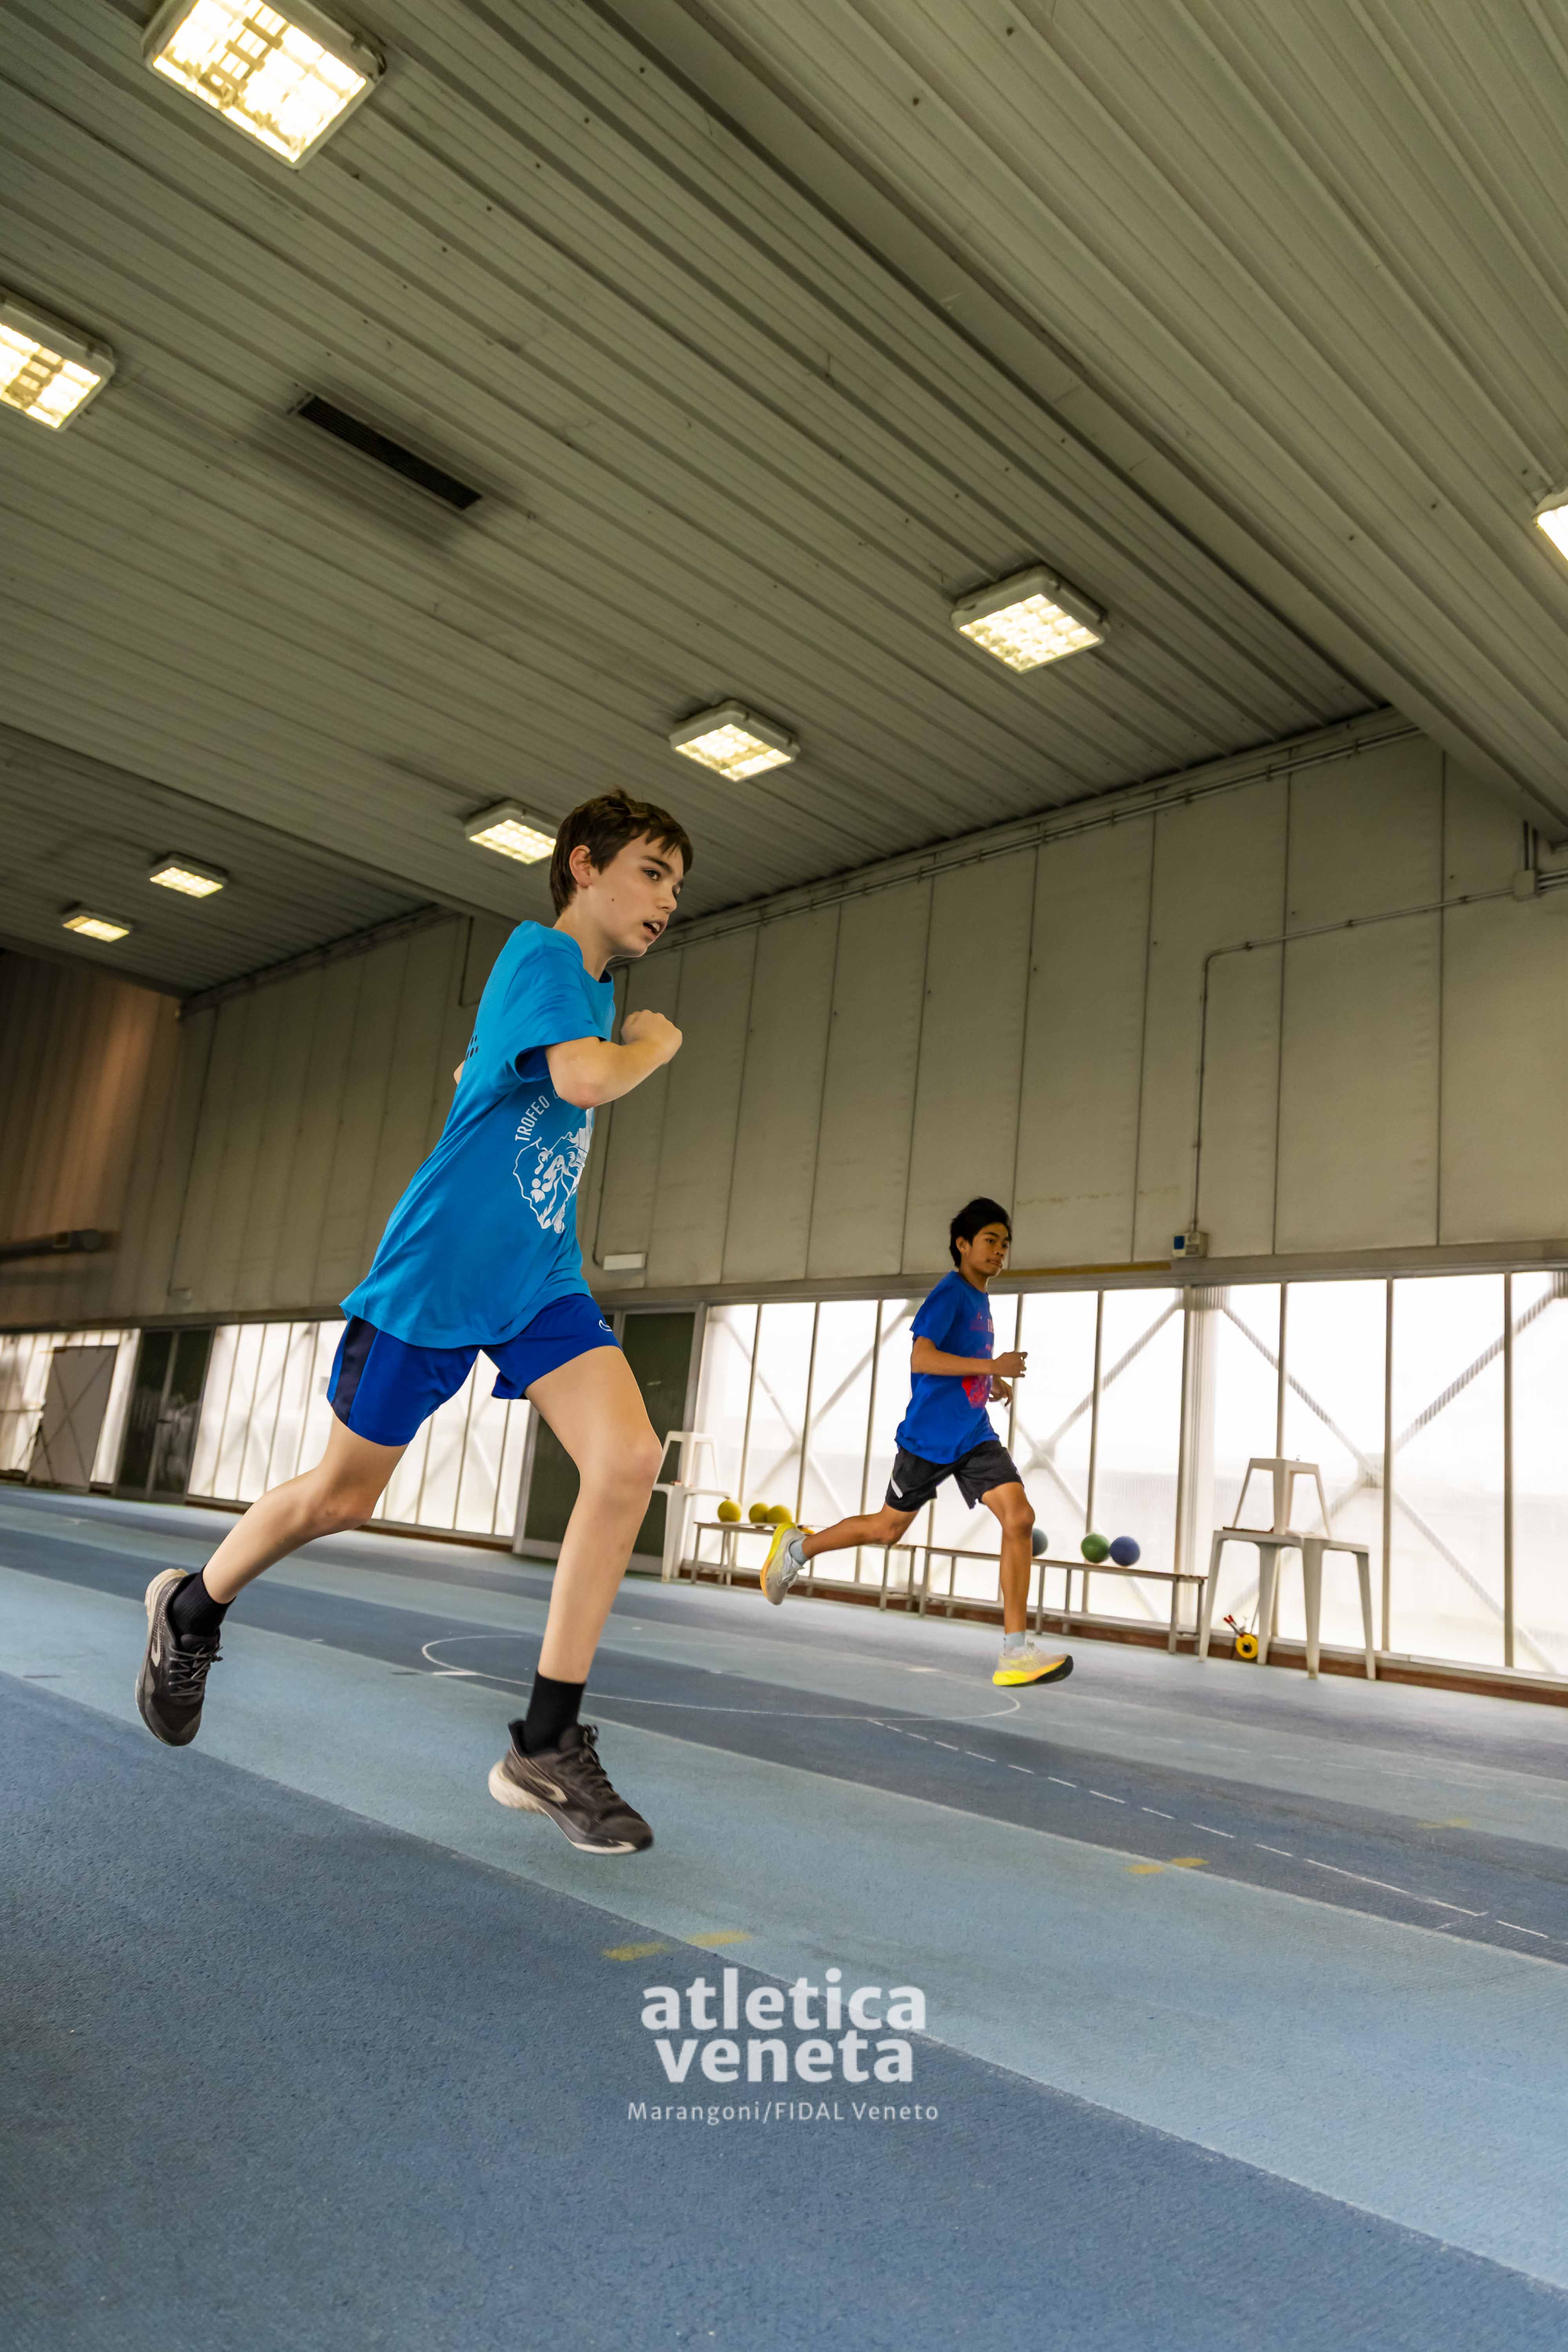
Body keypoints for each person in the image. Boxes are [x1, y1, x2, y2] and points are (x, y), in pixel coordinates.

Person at [135, 790, 692, 1854]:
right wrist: (653, 1045)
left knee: (628, 1458)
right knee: (343, 1498)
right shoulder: (542, 956)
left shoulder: (573, 991)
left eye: (678, 885)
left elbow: (501, 1079)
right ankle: (192, 1610)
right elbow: (584, 1078)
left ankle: (544, 1741)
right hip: (435, 1278)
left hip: (537, 1279)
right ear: (585, 866)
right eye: (654, 872)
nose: (669, 899)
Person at [759, 1198, 1072, 1690]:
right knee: (887, 1530)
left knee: (1019, 1518)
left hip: (973, 1434)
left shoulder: (981, 1300)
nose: (1000, 1251)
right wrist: (992, 1367)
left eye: (1005, 1244)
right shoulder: (950, 1294)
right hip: (928, 1439)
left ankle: (1015, 1652)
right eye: (990, 1241)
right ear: (963, 1244)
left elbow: (958, 1359)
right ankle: (798, 1548)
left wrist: (988, 1383)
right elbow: (922, 1359)